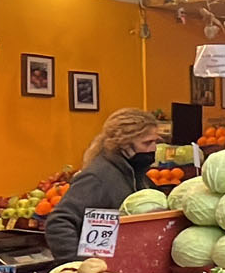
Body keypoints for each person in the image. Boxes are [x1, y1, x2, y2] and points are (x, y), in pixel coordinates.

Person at [45, 108, 160, 258]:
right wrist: (77, 265)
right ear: (124, 144)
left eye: (156, 142)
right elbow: (59, 222)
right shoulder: (96, 177)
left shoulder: (137, 174)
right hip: (102, 269)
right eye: (147, 143)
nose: (154, 148)